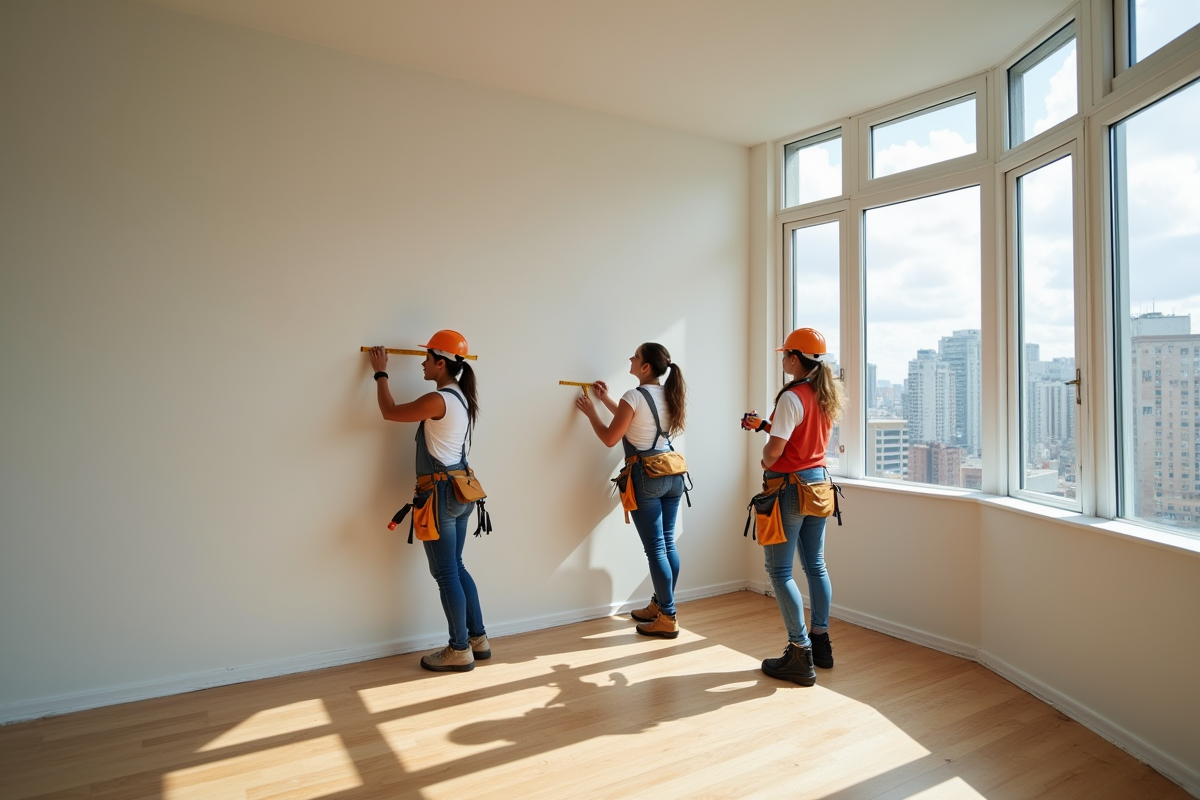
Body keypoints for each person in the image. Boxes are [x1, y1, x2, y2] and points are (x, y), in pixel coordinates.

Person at [368, 330, 490, 672]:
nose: (422, 364)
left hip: (439, 495)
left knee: (446, 572)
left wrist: (380, 373)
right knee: (457, 567)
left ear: (441, 363)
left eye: (427, 359)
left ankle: (459, 648)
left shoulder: (440, 400)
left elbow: (389, 412)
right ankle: (477, 638)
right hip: (461, 491)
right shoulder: (462, 398)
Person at [741, 327, 845, 686]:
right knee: (815, 565)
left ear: (796, 358)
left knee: (779, 571)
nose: (783, 359)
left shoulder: (791, 397)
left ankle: (799, 654)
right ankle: (820, 643)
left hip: (788, 489)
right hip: (818, 485)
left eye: (785, 354)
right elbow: (803, 438)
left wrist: (764, 456)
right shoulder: (824, 395)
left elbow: (776, 452)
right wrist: (765, 426)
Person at [574, 343, 688, 639]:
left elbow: (612, 438)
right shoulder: (669, 394)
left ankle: (668, 616)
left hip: (647, 477)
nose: (631, 359)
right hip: (673, 475)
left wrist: (590, 413)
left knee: (656, 550)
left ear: (646, 367)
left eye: (635, 356)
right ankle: (661, 604)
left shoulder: (634, 396)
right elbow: (635, 421)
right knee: (667, 545)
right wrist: (605, 400)